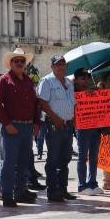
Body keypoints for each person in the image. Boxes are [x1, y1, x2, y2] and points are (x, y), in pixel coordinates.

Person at [0, 47, 40, 207]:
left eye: (22, 61)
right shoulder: (4, 80)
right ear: (10, 63)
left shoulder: (28, 80)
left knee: (24, 161)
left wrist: (36, 123)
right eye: (16, 61)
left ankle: (20, 191)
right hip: (11, 126)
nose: (20, 63)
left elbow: (35, 104)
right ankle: (6, 194)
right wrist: (7, 124)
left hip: (27, 127)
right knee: (9, 162)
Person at [38, 54, 77, 202]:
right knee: (53, 159)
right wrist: (55, 118)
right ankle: (53, 191)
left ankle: (63, 189)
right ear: (52, 66)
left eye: (63, 64)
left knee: (65, 158)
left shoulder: (68, 82)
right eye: (57, 64)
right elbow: (42, 102)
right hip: (53, 125)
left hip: (67, 125)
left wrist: (73, 118)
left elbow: (73, 103)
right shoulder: (46, 81)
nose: (60, 67)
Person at [72, 69, 103, 196]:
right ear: (76, 80)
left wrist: (96, 94)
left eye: (87, 78)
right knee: (83, 157)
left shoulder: (94, 91)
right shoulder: (72, 92)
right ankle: (82, 185)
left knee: (94, 157)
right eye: (82, 78)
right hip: (82, 128)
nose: (85, 81)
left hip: (95, 127)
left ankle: (92, 183)